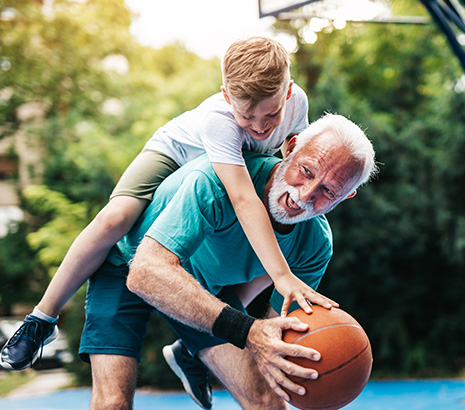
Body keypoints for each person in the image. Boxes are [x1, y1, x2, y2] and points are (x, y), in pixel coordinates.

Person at [0, 36, 336, 372]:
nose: (261, 126)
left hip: (230, 170)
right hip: (176, 156)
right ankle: (42, 318)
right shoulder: (218, 120)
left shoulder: (298, 103)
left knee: (280, 238)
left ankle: (187, 349)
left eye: (272, 114)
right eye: (247, 115)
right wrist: (283, 276)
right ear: (226, 96)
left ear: (288, 92)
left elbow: (289, 163)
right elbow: (243, 197)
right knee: (116, 218)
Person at [79, 114, 377, 410]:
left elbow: (275, 333)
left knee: (268, 403)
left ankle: (189, 351)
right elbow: (144, 273)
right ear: (292, 147)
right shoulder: (217, 180)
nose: (305, 195)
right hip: (130, 261)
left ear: (346, 196)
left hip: (203, 288)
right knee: (112, 404)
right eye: (307, 171)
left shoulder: (315, 244)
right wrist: (246, 331)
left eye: (328, 191)